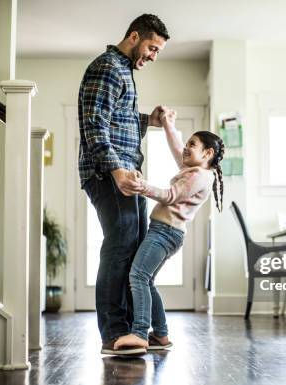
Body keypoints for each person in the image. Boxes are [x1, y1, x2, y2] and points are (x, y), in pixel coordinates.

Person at [78, 14, 170, 355]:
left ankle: (136, 330)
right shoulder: (107, 68)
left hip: (128, 175)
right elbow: (95, 125)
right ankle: (113, 333)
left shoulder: (122, 71)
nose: (153, 56)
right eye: (152, 47)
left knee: (133, 251)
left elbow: (119, 119)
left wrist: (151, 120)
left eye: (158, 51)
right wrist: (117, 171)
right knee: (120, 249)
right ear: (134, 36)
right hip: (110, 174)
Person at [113, 108, 225, 352]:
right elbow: (177, 149)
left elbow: (170, 195)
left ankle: (140, 333)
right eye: (187, 143)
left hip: (165, 232)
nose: (186, 148)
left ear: (207, 153)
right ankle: (161, 336)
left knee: (138, 276)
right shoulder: (195, 170)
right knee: (147, 280)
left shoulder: (199, 176)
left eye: (192, 144)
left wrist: (142, 186)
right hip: (165, 231)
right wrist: (168, 124)